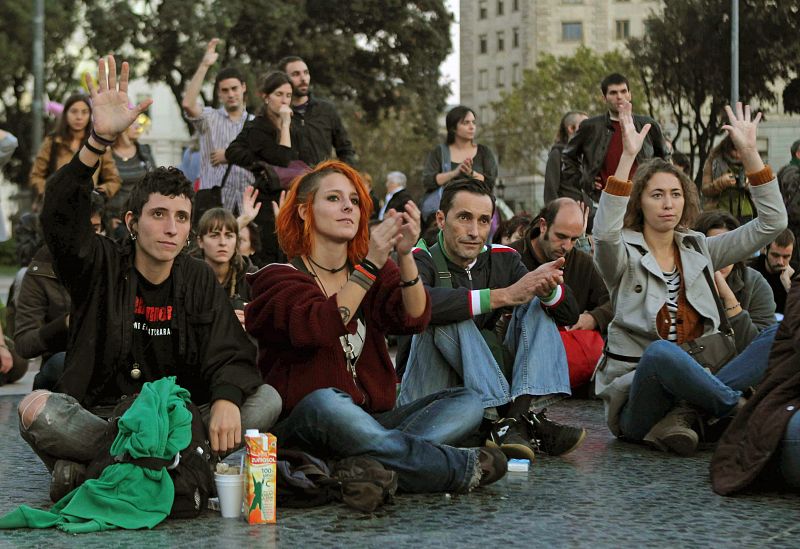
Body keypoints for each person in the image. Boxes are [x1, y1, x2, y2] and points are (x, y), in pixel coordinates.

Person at [17, 56, 281, 502]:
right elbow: (61, 216)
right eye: (159, 215)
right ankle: (172, 468)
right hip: (105, 419)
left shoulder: (197, 277)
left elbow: (228, 351)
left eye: (181, 217)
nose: (172, 227)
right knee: (35, 410)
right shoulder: (99, 264)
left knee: (265, 399)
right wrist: (97, 140)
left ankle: (94, 470)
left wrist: (224, 399)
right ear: (132, 222)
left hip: (180, 422)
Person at [245, 160, 507, 494]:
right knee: (328, 402)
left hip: (373, 421)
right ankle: (449, 466)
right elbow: (318, 326)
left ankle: (365, 464)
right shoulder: (276, 278)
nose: (348, 207)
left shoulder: (372, 271)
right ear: (303, 211)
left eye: (354, 201)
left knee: (468, 401)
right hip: (310, 423)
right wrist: (369, 265)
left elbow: (414, 317)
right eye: (334, 199)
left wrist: (405, 254)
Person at [592, 100, 787, 457]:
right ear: (640, 203)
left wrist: (748, 153)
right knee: (662, 352)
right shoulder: (622, 254)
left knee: (787, 329)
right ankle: (737, 412)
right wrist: (626, 158)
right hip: (640, 397)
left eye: (676, 194)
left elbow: (772, 224)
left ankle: (690, 416)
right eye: (657, 195)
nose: (668, 203)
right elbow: (604, 235)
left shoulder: (698, 247)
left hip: (705, 375)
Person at [399, 179, 587, 462]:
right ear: (441, 219)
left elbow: (570, 314)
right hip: (427, 392)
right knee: (450, 310)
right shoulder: (418, 257)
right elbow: (420, 307)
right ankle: (511, 419)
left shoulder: (504, 258)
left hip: (479, 388)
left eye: (484, 221)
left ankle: (514, 420)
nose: (475, 232)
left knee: (535, 303)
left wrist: (547, 288)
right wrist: (502, 295)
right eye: (464, 218)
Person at [710, 278, 800, 495]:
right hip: (780, 405)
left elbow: (751, 339)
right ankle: (698, 404)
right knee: (661, 353)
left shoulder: (755, 283)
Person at [510, 198, 612, 388]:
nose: (567, 246)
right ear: (543, 226)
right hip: (518, 354)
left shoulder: (582, 263)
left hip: (568, 358)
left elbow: (611, 302)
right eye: (561, 236)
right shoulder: (510, 256)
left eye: (574, 239)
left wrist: (593, 318)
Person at [14, 194, 107, 391]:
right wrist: (64, 324)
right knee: (59, 365)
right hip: (65, 363)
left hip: (114, 361)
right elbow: (24, 344)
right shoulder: (41, 270)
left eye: (96, 228)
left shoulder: (115, 259)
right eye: (80, 229)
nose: (89, 237)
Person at [225, 71, 300, 264]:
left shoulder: (295, 124)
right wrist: (259, 164)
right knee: (271, 250)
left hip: (293, 196)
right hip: (268, 198)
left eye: (288, 95)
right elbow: (282, 158)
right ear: (266, 97)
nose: (284, 100)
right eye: (279, 94)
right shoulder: (258, 127)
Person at [561, 73, 668, 206]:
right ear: (604, 97)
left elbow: (664, 159)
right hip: (602, 200)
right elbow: (568, 157)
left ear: (630, 94)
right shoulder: (590, 127)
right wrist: (584, 180)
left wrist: (656, 185)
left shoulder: (648, 125)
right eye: (613, 93)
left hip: (642, 200)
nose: (619, 97)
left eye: (623, 91)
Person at [181, 38, 254, 212]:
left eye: (234, 88)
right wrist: (205, 65)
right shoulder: (210, 118)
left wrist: (230, 156)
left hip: (247, 200)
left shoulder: (255, 123)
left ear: (243, 88)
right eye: (225, 90)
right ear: (219, 93)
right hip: (215, 201)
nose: (231, 94)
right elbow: (188, 104)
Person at [694, 210, 777, 346]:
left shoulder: (754, 282)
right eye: (716, 251)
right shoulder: (686, 280)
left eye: (728, 250)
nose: (723, 259)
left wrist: (729, 299)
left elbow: (763, 348)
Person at [29, 93, 121, 200]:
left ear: (90, 115)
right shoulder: (53, 141)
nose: (79, 117)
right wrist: (48, 192)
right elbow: (35, 176)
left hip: (88, 208)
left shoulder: (99, 143)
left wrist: (95, 194)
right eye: (74, 111)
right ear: (65, 113)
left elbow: (114, 180)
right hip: (56, 206)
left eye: (84, 112)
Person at [420, 106, 498, 224]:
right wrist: (455, 173)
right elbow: (428, 180)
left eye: (473, 122)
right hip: (446, 217)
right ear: (453, 128)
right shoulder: (440, 152)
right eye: (466, 123)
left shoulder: (484, 152)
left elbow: (489, 182)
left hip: (477, 214)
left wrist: (471, 173)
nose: (472, 127)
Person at [278, 56, 356, 166]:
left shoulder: (326, 110)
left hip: (322, 180)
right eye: (296, 74)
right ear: (283, 80)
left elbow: (346, 150)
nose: (303, 78)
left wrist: (340, 174)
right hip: (290, 181)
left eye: (306, 73)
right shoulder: (276, 114)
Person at [194, 207, 256, 329]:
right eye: (214, 235)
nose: (223, 242)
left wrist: (254, 320)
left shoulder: (251, 277)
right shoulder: (189, 277)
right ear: (200, 241)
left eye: (229, 236)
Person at [108, 114, 156, 228]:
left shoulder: (144, 151)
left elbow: (155, 181)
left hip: (142, 216)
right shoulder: (107, 154)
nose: (138, 127)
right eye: (132, 124)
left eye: (138, 123)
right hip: (116, 219)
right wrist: (106, 219)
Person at [702, 135, 755, 223]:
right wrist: (720, 183)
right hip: (721, 211)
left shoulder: (752, 161)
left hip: (746, 212)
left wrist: (749, 184)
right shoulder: (715, 161)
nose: (738, 155)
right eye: (735, 150)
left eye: (740, 150)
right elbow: (705, 190)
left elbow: (762, 188)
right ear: (728, 148)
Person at [544, 111, 588, 204]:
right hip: (568, 214)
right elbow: (550, 191)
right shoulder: (557, 154)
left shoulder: (586, 155)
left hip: (589, 214)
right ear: (571, 128)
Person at [750, 229, 795, 316]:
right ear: (765, 250)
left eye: (786, 257)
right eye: (775, 255)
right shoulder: (751, 271)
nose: (780, 262)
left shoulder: (795, 272)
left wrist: (788, 284)